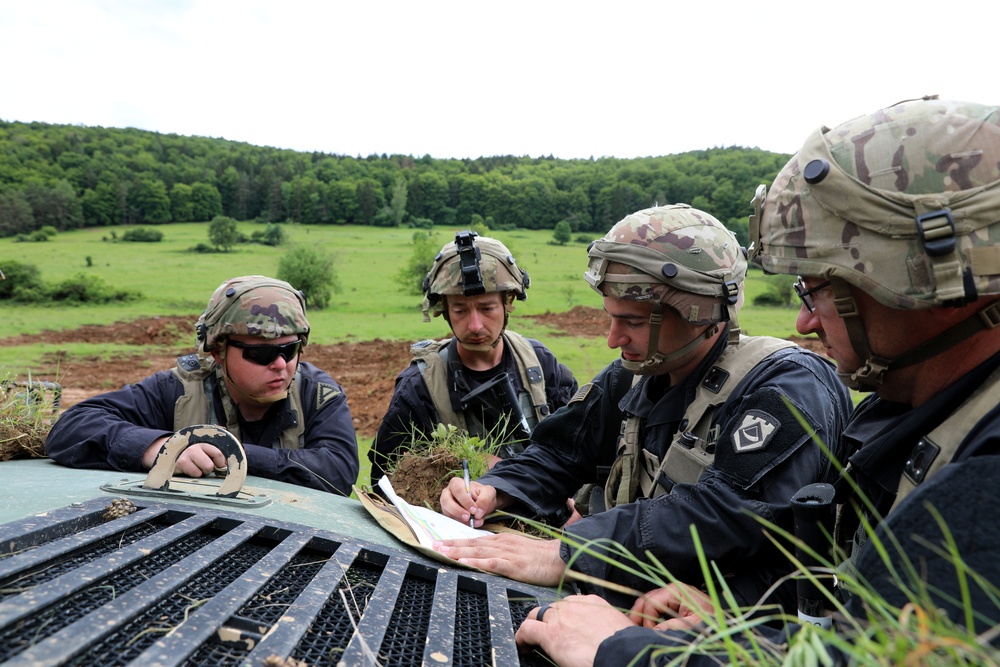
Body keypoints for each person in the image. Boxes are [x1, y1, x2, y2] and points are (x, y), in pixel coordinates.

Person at [514, 97, 1000, 666]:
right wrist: (738, 611)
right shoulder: (922, 416)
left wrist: (623, 651)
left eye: (818, 286)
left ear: (926, 281)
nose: (805, 321)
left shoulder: (982, 471)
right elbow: (839, 604)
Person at [435, 204, 854, 615]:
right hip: (641, 603)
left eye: (633, 322)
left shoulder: (787, 388)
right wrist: (497, 489)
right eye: (611, 318)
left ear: (698, 313)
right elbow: (559, 452)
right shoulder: (636, 374)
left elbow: (725, 512)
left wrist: (570, 553)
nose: (613, 339)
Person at [46, 275, 359, 495]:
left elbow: (338, 472)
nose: (280, 365)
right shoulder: (178, 390)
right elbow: (71, 428)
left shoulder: (317, 394)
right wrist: (162, 448)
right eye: (259, 353)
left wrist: (226, 453)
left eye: (289, 350)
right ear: (217, 352)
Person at [369, 230, 579, 485]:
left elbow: (580, 451)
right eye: (460, 310)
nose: (475, 325)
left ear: (508, 301)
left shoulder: (539, 363)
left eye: (487, 308)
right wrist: (460, 464)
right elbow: (385, 481)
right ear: (443, 310)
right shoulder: (420, 385)